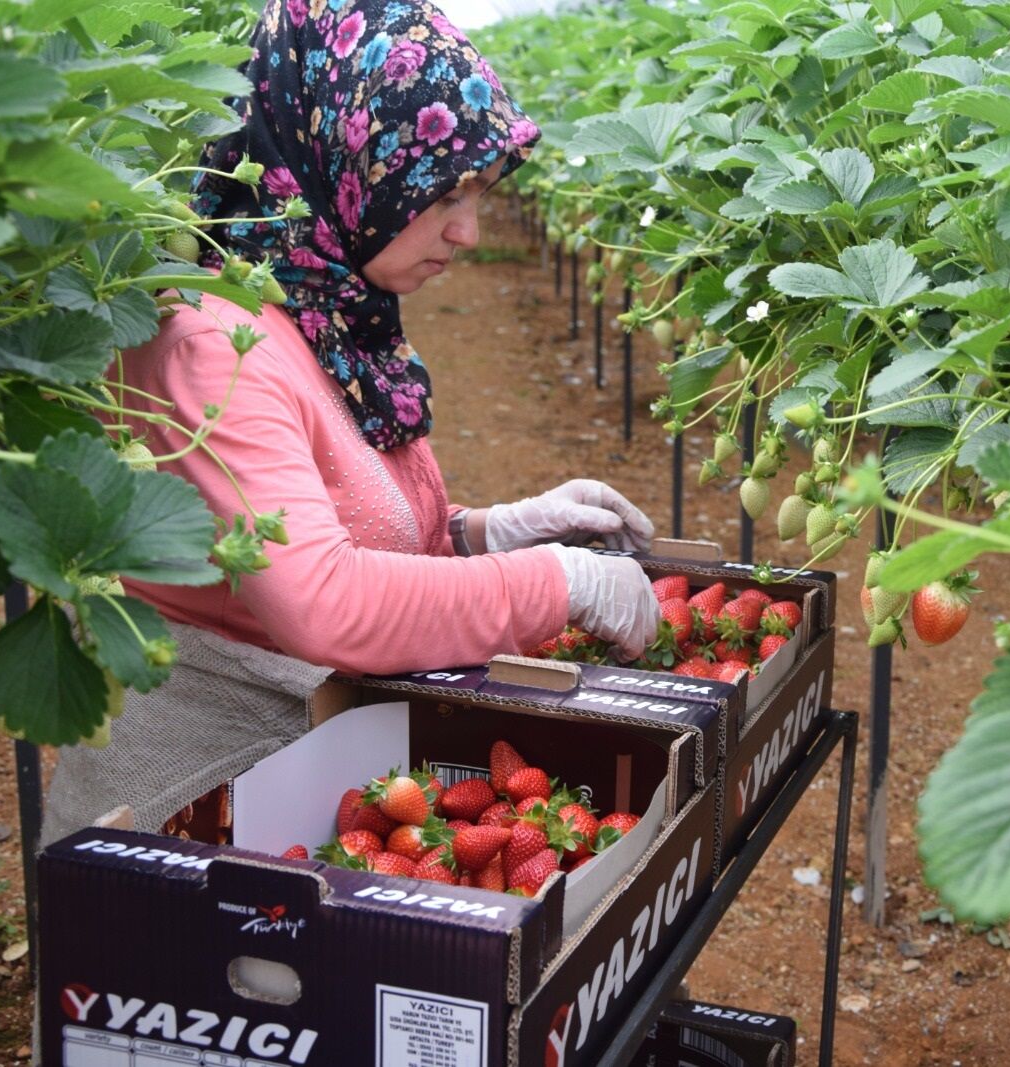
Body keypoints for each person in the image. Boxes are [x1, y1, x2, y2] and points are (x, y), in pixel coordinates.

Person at [41, 0, 658, 843]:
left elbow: (349, 527)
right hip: (191, 828)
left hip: (319, 797)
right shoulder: (212, 340)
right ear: (351, 154)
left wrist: (488, 533)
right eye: (444, 191)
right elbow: (320, 602)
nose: (470, 230)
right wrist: (560, 582)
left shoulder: (330, 314)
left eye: (479, 191)